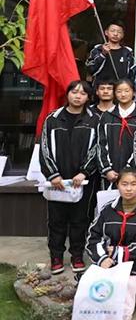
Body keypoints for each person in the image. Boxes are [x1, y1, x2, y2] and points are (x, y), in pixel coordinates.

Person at [40, 80, 98, 274]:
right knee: (56, 221)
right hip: (57, 181)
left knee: (79, 220)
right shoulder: (53, 119)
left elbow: (97, 148)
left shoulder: (94, 120)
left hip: (82, 181)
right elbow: (45, 148)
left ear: (88, 97)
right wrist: (53, 174)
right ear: (67, 94)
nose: (78, 96)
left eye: (83, 93)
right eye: (74, 92)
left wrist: (84, 171)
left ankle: (77, 255)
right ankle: (56, 257)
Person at [86, 168, 136, 283]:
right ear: (117, 185)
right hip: (107, 265)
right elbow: (93, 237)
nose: (129, 189)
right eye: (124, 184)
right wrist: (102, 258)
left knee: (124, 291)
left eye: (134, 184)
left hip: (135, 269)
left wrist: (120, 252)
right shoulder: (107, 209)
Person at [97, 79, 136, 190]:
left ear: (134, 92)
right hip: (110, 174)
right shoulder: (107, 116)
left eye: (127, 91)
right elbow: (101, 144)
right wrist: (107, 169)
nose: (123, 94)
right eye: (119, 91)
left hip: (134, 173)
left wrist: (128, 169)